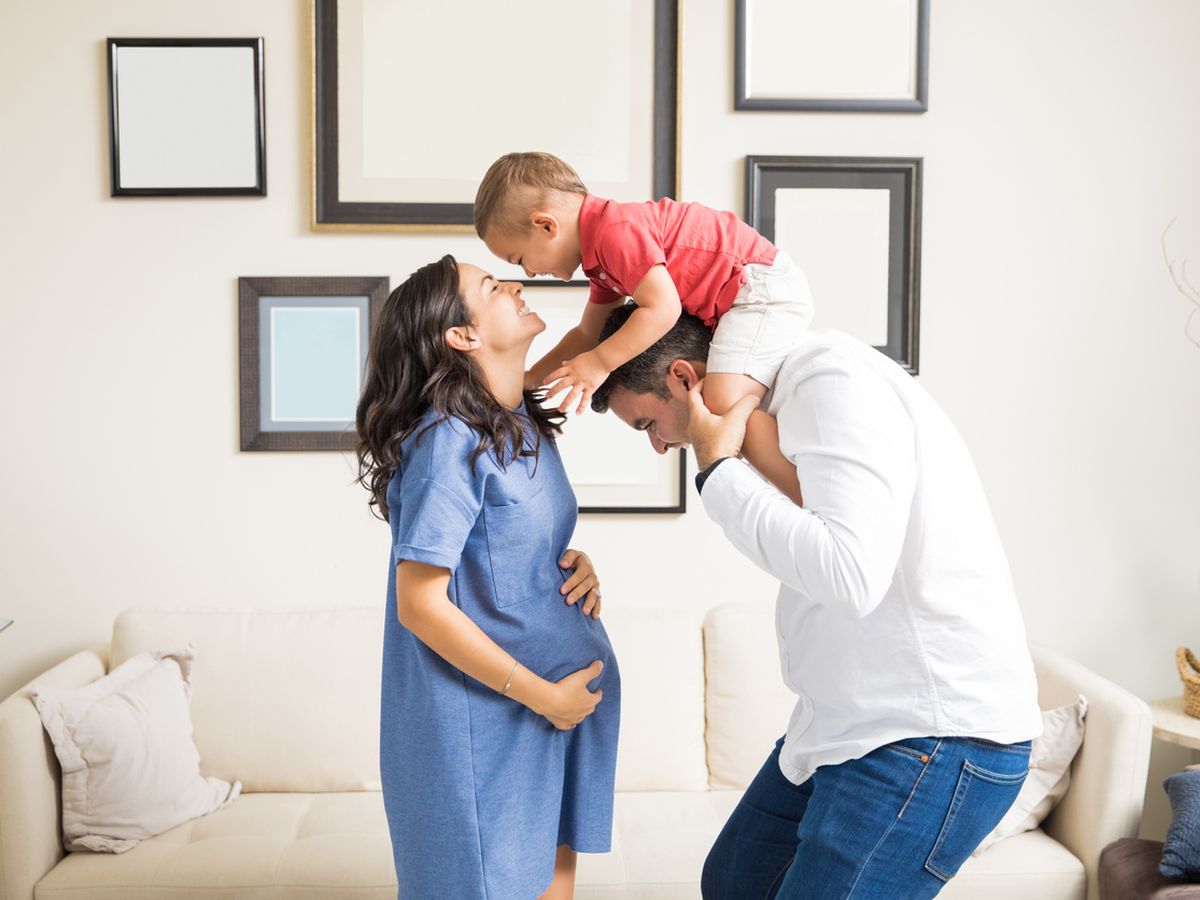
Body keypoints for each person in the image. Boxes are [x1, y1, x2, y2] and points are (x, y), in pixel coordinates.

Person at [590, 304, 1043, 899]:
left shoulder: (830, 381)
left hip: (929, 734)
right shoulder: (782, 407)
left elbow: (849, 577)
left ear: (682, 378)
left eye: (647, 423)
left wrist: (717, 469)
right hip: (844, 726)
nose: (657, 445)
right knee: (734, 882)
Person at [355, 255, 621, 900]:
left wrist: (569, 562)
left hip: (553, 718)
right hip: (490, 722)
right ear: (462, 334)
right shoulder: (445, 441)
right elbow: (419, 604)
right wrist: (542, 696)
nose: (515, 285)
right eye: (492, 287)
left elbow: (503, 546)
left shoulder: (519, 420)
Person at [474, 151, 811, 506]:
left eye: (520, 259)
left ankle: (806, 497)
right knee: (724, 404)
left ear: (546, 225)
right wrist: (530, 379)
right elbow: (587, 334)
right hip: (744, 296)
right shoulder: (601, 256)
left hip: (758, 289)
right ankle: (799, 486)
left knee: (721, 405)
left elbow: (663, 308)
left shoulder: (615, 232)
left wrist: (600, 363)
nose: (528, 273)